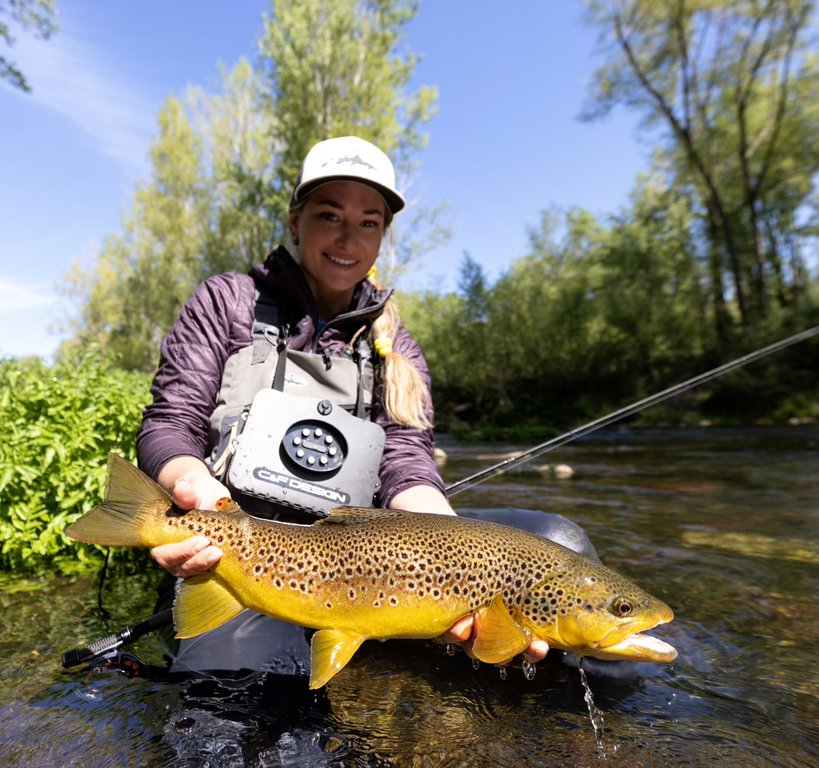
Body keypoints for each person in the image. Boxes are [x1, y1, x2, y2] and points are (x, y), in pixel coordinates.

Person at [136, 135, 559, 677]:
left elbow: (406, 459)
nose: (348, 238)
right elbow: (171, 423)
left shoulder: (394, 344)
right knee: (232, 706)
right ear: (295, 222)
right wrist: (190, 486)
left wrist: (451, 547)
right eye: (329, 214)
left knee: (558, 543)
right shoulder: (227, 302)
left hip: (371, 562)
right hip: (240, 546)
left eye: (368, 222)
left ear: (382, 235)